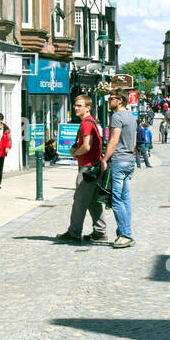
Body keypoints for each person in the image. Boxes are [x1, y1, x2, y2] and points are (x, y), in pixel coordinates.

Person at [57, 94, 109, 244]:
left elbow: (87, 146)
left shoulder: (86, 123)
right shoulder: (91, 122)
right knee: (93, 201)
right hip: (94, 167)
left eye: (80, 105)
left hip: (87, 169)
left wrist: (74, 153)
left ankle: (74, 233)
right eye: (75, 105)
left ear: (88, 108)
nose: (76, 108)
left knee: (79, 201)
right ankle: (100, 232)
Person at [101, 91, 136, 248]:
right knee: (125, 198)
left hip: (119, 161)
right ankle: (125, 230)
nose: (109, 101)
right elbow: (134, 142)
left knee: (116, 200)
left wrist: (105, 159)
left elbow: (114, 140)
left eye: (111, 99)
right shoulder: (131, 116)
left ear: (120, 101)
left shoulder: (116, 116)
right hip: (129, 160)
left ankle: (126, 234)